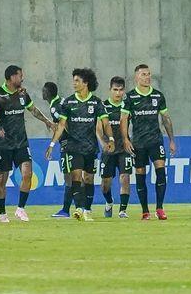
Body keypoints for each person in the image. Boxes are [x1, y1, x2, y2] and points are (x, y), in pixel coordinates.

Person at [44, 68, 111, 222]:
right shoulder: (68, 102)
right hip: (73, 147)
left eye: (77, 81)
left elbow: (104, 123)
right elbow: (61, 125)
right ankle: (79, 208)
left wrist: (109, 140)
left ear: (85, 83)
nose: (74, 83)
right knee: (76, 176)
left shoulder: (96, 102)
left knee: (88, 179)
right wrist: (52, 144)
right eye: (73, 80)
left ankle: (87, 209)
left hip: (90, 148)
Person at [0, 65, 53, 222]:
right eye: (20, 75)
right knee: (1, 180)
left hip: (21, 143)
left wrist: (47, 121)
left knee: (27, 174)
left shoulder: (23, 94)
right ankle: (2, 214)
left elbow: (33, 109)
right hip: (3, 145)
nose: (22, 78)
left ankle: (20, 209)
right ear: (12, 77)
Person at [121, 62, 174, 220]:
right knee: (140, 174)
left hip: (155, 141)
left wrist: (171, 140)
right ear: (136, 77)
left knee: (161, 170)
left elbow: (165, 118)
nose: (147, 77)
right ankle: (145, 210)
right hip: (138, 143)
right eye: (144, 74)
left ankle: (159, 208)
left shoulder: (158, 96)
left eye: (149, 74)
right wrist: (125, 139)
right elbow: (124, 120)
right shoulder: (130, 97)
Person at [101, 76, 132, 218]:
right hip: (109, 150)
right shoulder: (103, 106)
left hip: (124, 148)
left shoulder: (127, 106)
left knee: (125, 178)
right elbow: (97, 128)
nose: (118, 93)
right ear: (110, 90)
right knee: (105, 184)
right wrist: (103, 143)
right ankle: (109, 201)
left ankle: (122, 210)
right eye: (115, 90)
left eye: (120, 90)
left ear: (124, 91)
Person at [42, 81, 75, 218]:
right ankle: (84, 207)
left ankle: (66, 210)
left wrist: (63, 138)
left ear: (49, 93)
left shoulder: (55, 107)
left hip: (68, 144)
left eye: (44, 91)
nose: (42, 93)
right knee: (77, 176)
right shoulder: (61, 101)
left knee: (69, 177)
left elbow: (65, 124)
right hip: (74, 143)